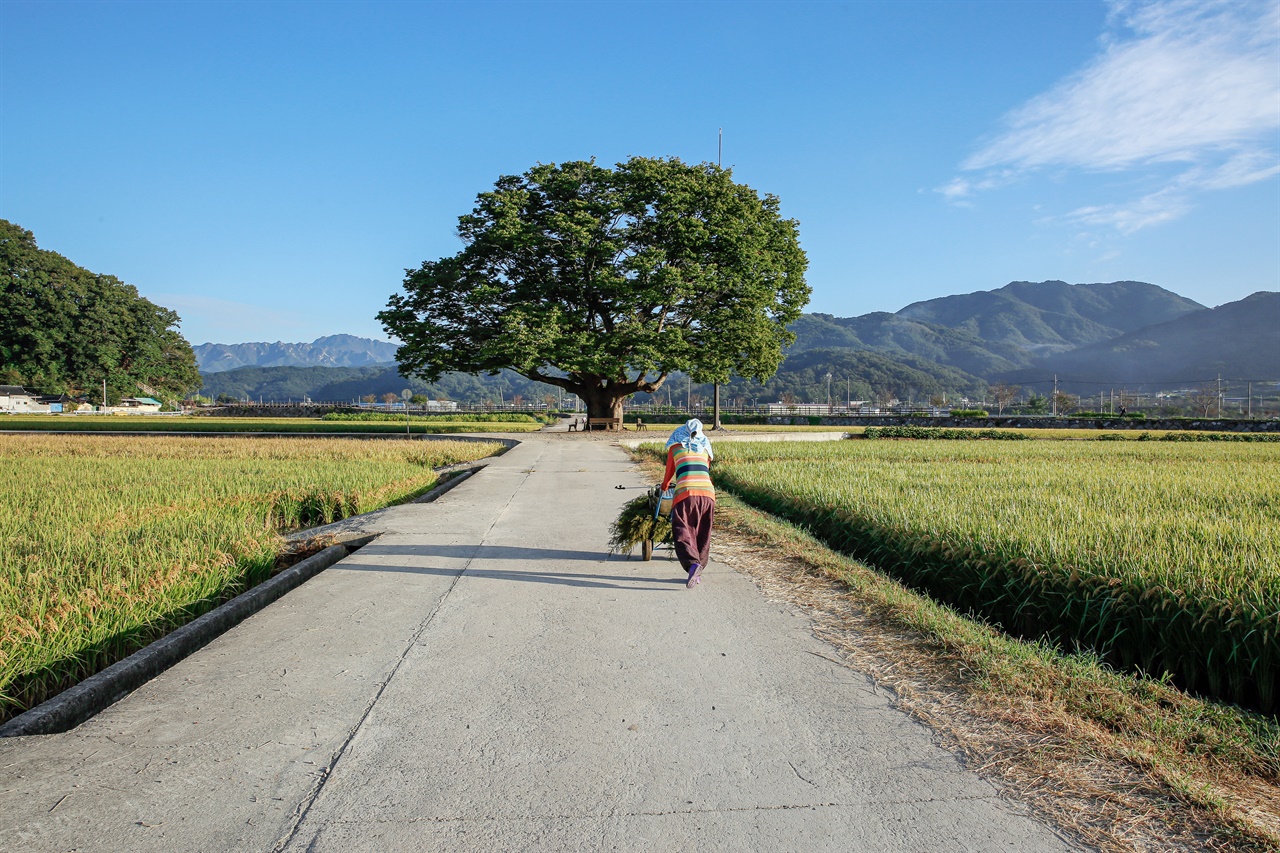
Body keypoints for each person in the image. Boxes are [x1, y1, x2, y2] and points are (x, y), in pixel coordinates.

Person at [661, 418, 716, 589]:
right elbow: (704, 469)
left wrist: (664, 486)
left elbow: (670, 472)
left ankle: (692, 565)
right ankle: (698, 568)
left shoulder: (675, 448)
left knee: (682, 530)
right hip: (708, 494)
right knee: (702, 532)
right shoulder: (705, 449)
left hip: (685, 493)